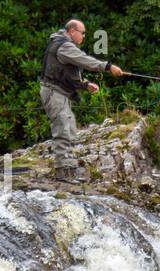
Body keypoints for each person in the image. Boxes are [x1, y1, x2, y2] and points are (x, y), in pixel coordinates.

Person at [39, 19, 124, 182]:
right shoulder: (64, 46)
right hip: (54, 93)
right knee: (63, 128)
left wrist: (85, 85)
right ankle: (63, 173)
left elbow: (64, 72)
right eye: (82, 33)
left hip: (59, 93)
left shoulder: (62, 44)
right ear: (72, 31)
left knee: (69, 129)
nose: (84, 36)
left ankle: (68, 169)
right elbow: (84, 60)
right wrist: (108, 66)